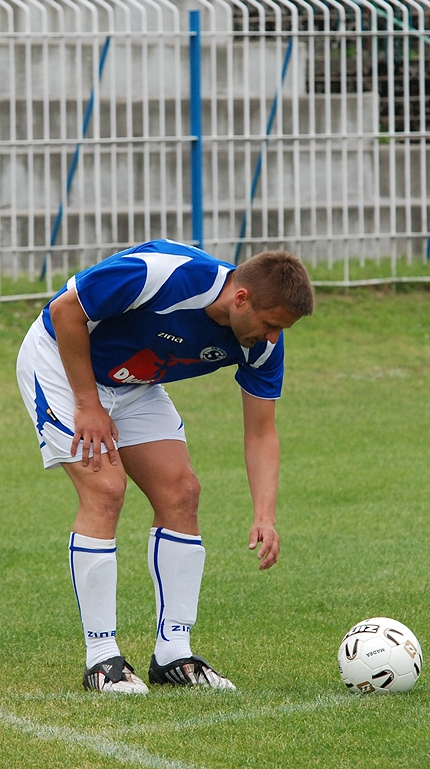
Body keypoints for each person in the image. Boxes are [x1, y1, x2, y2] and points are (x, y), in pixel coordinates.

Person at [16, 238, 314, 694]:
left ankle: (173, 653)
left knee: (181, 493)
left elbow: (261, 432)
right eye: (271, 324)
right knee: (106, 488)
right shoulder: (164, 273)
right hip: (60, 364)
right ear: (241, 298)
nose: (274, 338)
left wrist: (265, 514)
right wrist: (87, 404)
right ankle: (102, 660)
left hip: (134, 382)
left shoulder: (264, 345)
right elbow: (65, 310)